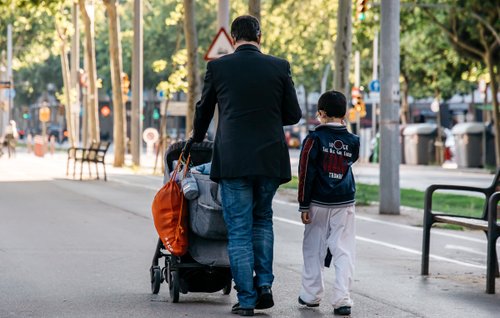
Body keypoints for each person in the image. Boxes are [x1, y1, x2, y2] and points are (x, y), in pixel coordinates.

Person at [189, 15, 302, 317]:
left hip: (234, 159)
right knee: (263, 219)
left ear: (234, 38)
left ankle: (248, 300)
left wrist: (197, 137)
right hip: (269, 159)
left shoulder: (219, 67)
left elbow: (203, 110)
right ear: (259, 36)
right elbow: (293, 114)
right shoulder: (279, 67)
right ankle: (264, 285)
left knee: (239, 230)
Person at [297, 90, 359, 316]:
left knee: (313, 248)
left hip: (317, 203)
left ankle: (311, 295)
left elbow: (305, 172)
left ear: (321, 114)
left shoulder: (313, 140)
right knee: (343, 250)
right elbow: (350, 161)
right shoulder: (353, 141)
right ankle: (342, 299)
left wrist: (303, 204)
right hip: (344, 202)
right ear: (344, 114)